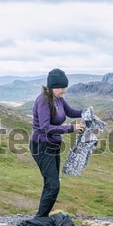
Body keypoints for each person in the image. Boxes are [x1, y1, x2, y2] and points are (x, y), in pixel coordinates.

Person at [30, 68, 85, 217]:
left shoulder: (58, 99)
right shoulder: (43, 101)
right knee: (53, 185)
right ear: (53, 87)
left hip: (54, 145)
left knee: (52, 184)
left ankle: (42, 217)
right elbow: (45, 127)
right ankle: (40, 218)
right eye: (62, 88)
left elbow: (71, 112)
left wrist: (85, 112)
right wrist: (71, 128)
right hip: (41, 145)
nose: (64, 91)